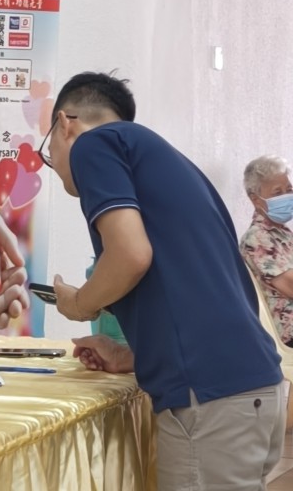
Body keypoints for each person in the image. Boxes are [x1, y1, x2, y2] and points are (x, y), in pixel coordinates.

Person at [40, 72, 285, 489]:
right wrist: (130, 356)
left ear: (65, 123)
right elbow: (191, 291)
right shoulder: (168, 160)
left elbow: (131, 255)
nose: (56, 163)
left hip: (211, 397)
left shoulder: (93, 144)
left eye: (49, 152)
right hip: (253, 385)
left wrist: (79, 303)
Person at [241, 155, 293, 347]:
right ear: (256, 200)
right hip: (288, 333)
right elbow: (290, 285)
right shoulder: (257, 238)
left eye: (289, 190)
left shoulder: (284, 233)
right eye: (277, 192)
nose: (286, 196)